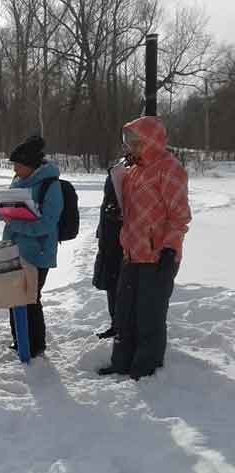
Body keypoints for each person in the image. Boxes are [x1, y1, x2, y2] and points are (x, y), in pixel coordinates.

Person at [98, 116, 191, 380]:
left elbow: (179, 216)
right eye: (129, 143)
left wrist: (171, 248)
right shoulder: (133, 170)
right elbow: (129, 210)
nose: (132, 148)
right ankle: (121, 363)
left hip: (158, 255)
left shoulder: (170, 169)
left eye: (137, 143)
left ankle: (144, 368)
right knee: (125, 313)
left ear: (152, 141)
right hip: (131, 252)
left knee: (148, 315)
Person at [0, 135, 63, 358]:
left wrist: (15, 223)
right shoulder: (17, 181)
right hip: (13, 249)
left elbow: (47, 224)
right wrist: (2, 212)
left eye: (18, 165)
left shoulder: (50, 186)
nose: (14, 169)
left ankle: (35, 345)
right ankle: (19, 340)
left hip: (38, 252)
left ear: (31, 166)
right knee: (14, 296)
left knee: (31, 298)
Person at [92, 157, 127, 339]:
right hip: (109, 236)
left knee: (123, 286)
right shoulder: (118, 167)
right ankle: (116, 325)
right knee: (112, 284)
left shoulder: (134, 169)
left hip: (125, 239)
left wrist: (117, 214)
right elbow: (108, 200)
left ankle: (123, 328)